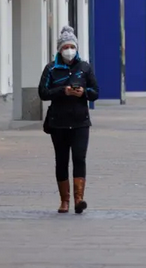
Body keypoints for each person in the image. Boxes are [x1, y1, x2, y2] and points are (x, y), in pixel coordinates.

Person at [38, 26, 100, 214]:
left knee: (79, 158)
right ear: (59, 49)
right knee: (62, 160)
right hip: (59, 123)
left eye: (72, 46)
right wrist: (62, 90)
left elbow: (95, 92)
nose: (69, 50)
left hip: (81, 122)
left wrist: (83, 93)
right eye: (65, 47)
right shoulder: (51, 69)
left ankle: (79, 199)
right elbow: (42, 92)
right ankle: (64, 200)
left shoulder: (84, 68)